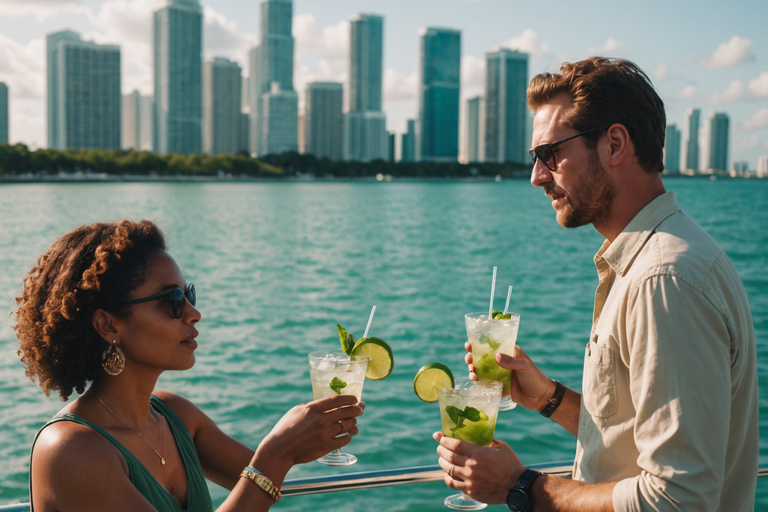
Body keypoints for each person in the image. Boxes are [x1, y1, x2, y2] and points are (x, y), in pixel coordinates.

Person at [434, 57, 759, 511]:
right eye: (535, 158)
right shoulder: (662, 257)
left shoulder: (662, 280)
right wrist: (548, 397)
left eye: (550, 154)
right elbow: (632, 435)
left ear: (615, 144)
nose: (537, 176)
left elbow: (679, 499)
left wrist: (520, 486)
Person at [14, 220, 365, 512]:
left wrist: (315, 433)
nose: (194, 313)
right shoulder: (69, 449)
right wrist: (280, 450)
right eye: (173, 300)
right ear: (109, 326)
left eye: (189, 294)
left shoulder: (175, 415)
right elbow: (267, 467)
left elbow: (269, 474)